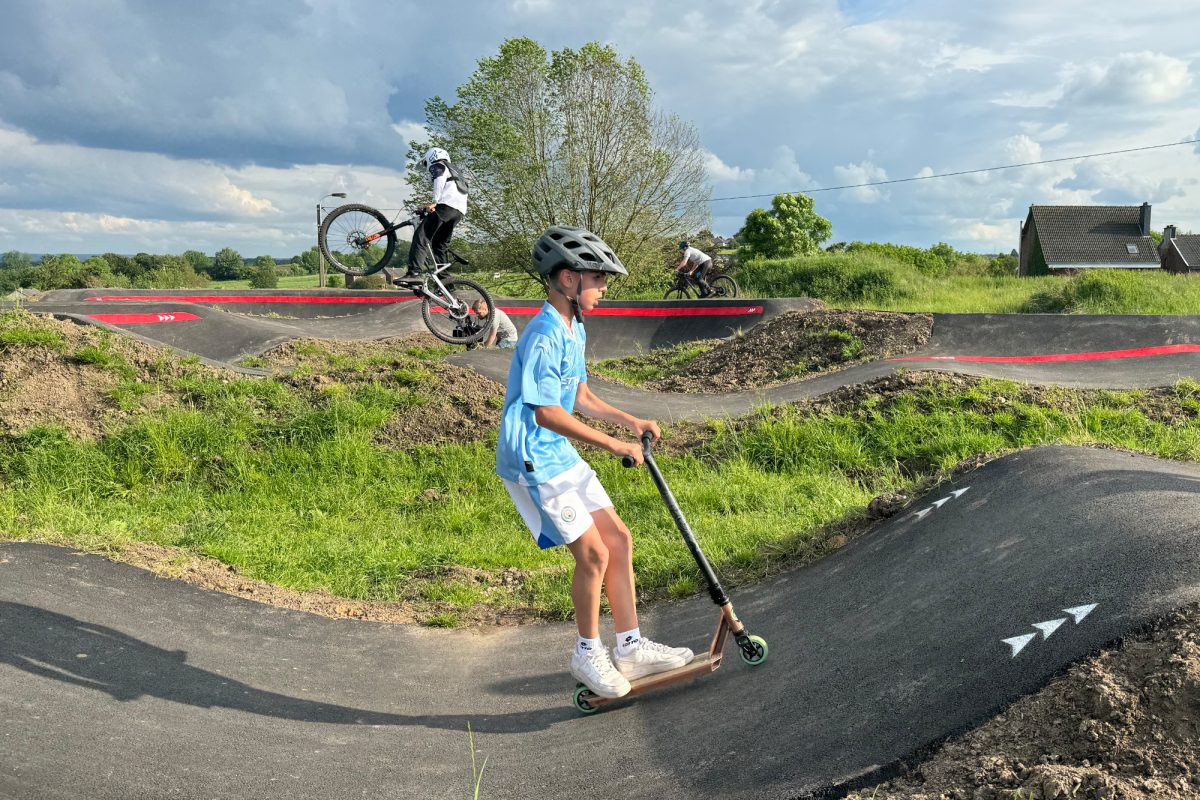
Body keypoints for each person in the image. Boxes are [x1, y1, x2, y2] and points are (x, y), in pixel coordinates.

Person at [495, 226, 695, 699]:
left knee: (619, 538)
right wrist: (611, 445)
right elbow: (546, 412)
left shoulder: (574, 327)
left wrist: (630, 420)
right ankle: (587, 652)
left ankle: (629, 646)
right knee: (593, 554)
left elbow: (579, 395)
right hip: (532, 459)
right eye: (597, 279)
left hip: (556, 451)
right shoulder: (544, 333)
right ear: (568, 280)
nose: (604, 289)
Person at [402, 147, 468, 281]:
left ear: (431, 157)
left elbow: (439, 180)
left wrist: (435, 203)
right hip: (458, 212)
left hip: (445, 207)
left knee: (421, 236)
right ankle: (446, 282)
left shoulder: (438, 165)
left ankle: (414, 273)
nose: (427, 167)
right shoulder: (455, 171)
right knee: (439, 244)